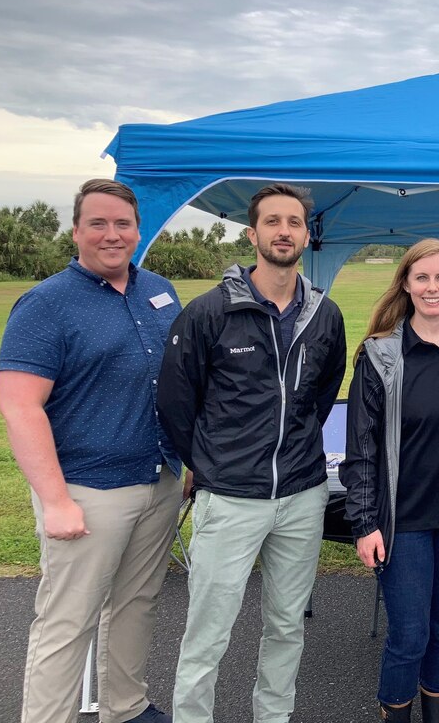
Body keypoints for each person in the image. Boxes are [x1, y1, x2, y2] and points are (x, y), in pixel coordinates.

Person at [156, 183, 347, 723]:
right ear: (252, 232)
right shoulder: (209, 312)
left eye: (294, 222)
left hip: (303, 495)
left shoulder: (325, 316)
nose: (283, 231)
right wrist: (208, 464)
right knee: (208, 631)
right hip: (231, 498)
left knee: (286, 625)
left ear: (306, 235)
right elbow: (175, 400)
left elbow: (324, 390)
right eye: (272, 222)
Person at [0, 178, 182, 723]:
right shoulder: (46, 304)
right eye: (97, 223)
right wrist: (55, 501)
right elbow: (20, 406)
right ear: (76, 231)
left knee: (136, 606)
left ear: (137, 230)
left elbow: (174, 384)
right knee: (67, 620)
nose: (111, 234)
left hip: (159, 480)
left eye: (122, 223)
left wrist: (184, 462)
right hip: (86, 490)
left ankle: (125, 707)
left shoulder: (161, 290)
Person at [340, 238, 439, 723]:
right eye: (422, 278)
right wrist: (364, 522)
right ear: (407, 285)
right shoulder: (380, 356)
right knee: (409, 634)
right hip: (402, 522)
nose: (433, 287)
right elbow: (362, 450)